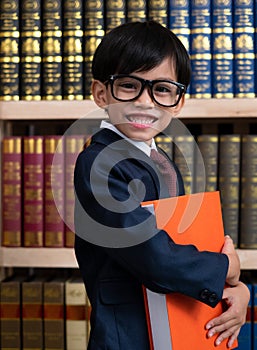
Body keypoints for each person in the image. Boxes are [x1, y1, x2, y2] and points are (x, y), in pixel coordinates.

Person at [74, 20, 250, 350]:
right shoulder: (99, 164)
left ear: (179, 102)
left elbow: (181, 241)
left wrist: (235, 291)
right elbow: (152, 255)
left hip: (177, 324)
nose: (146, 101)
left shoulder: (163, 163)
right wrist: (224, 268)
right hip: (127, 336)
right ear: (100, 93)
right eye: (129, 85)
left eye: (163, 89)